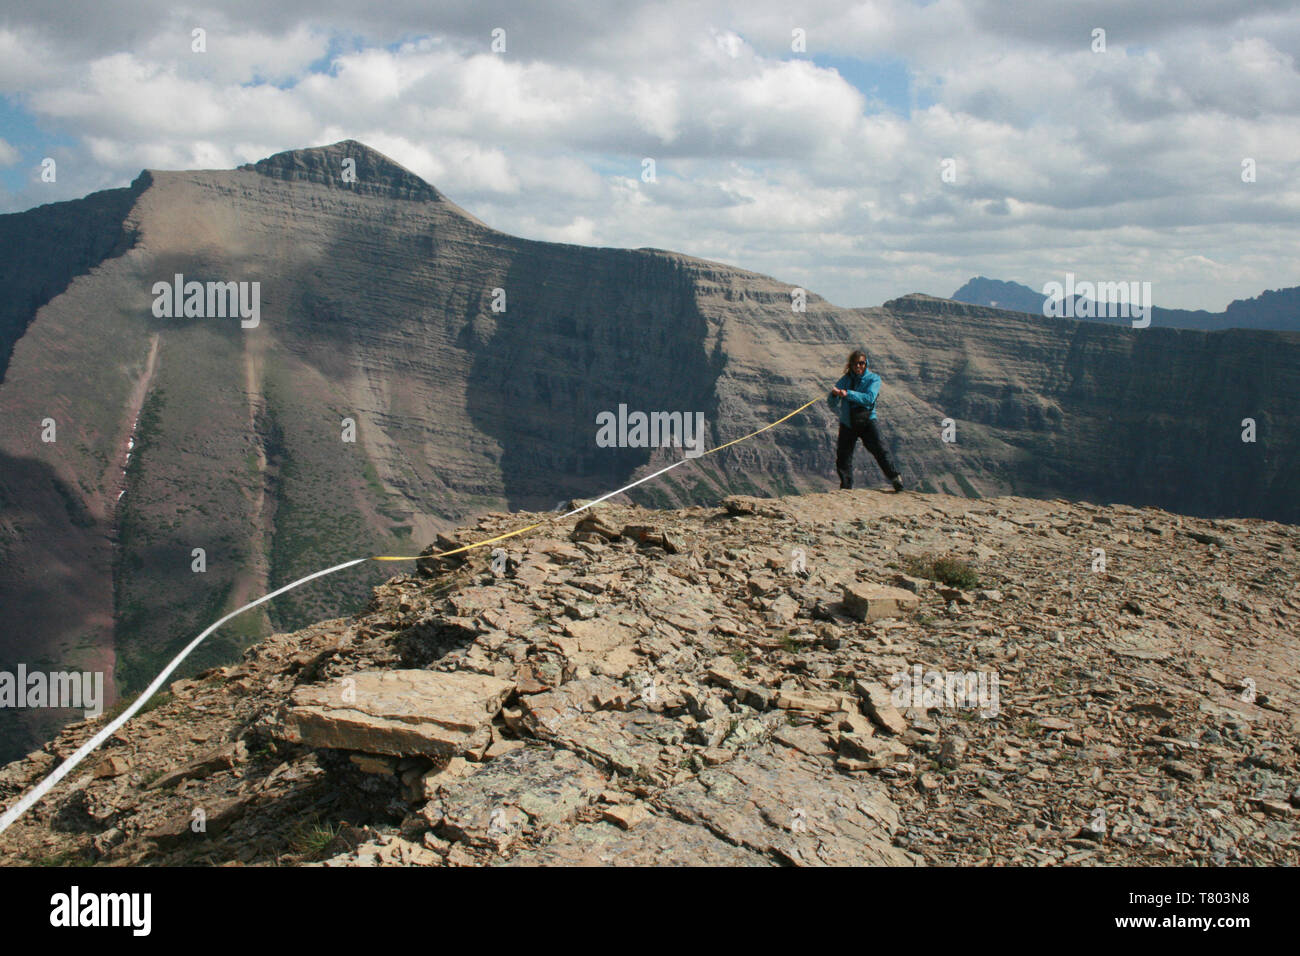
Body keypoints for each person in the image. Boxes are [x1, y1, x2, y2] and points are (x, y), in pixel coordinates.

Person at [828, 349, 904, 492]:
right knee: (844, 456)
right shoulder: (845, 379)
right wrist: (833, 395)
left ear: (866, 364)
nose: (858, 367)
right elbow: (831, 403)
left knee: (880, 450)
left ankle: (895, 478)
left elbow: (869, 398)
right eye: (855, 364)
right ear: (850, 365)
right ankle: (846, 487)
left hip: (867, 420)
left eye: (861, 363)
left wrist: (848, 394)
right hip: (848, 422)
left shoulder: (874, 379)